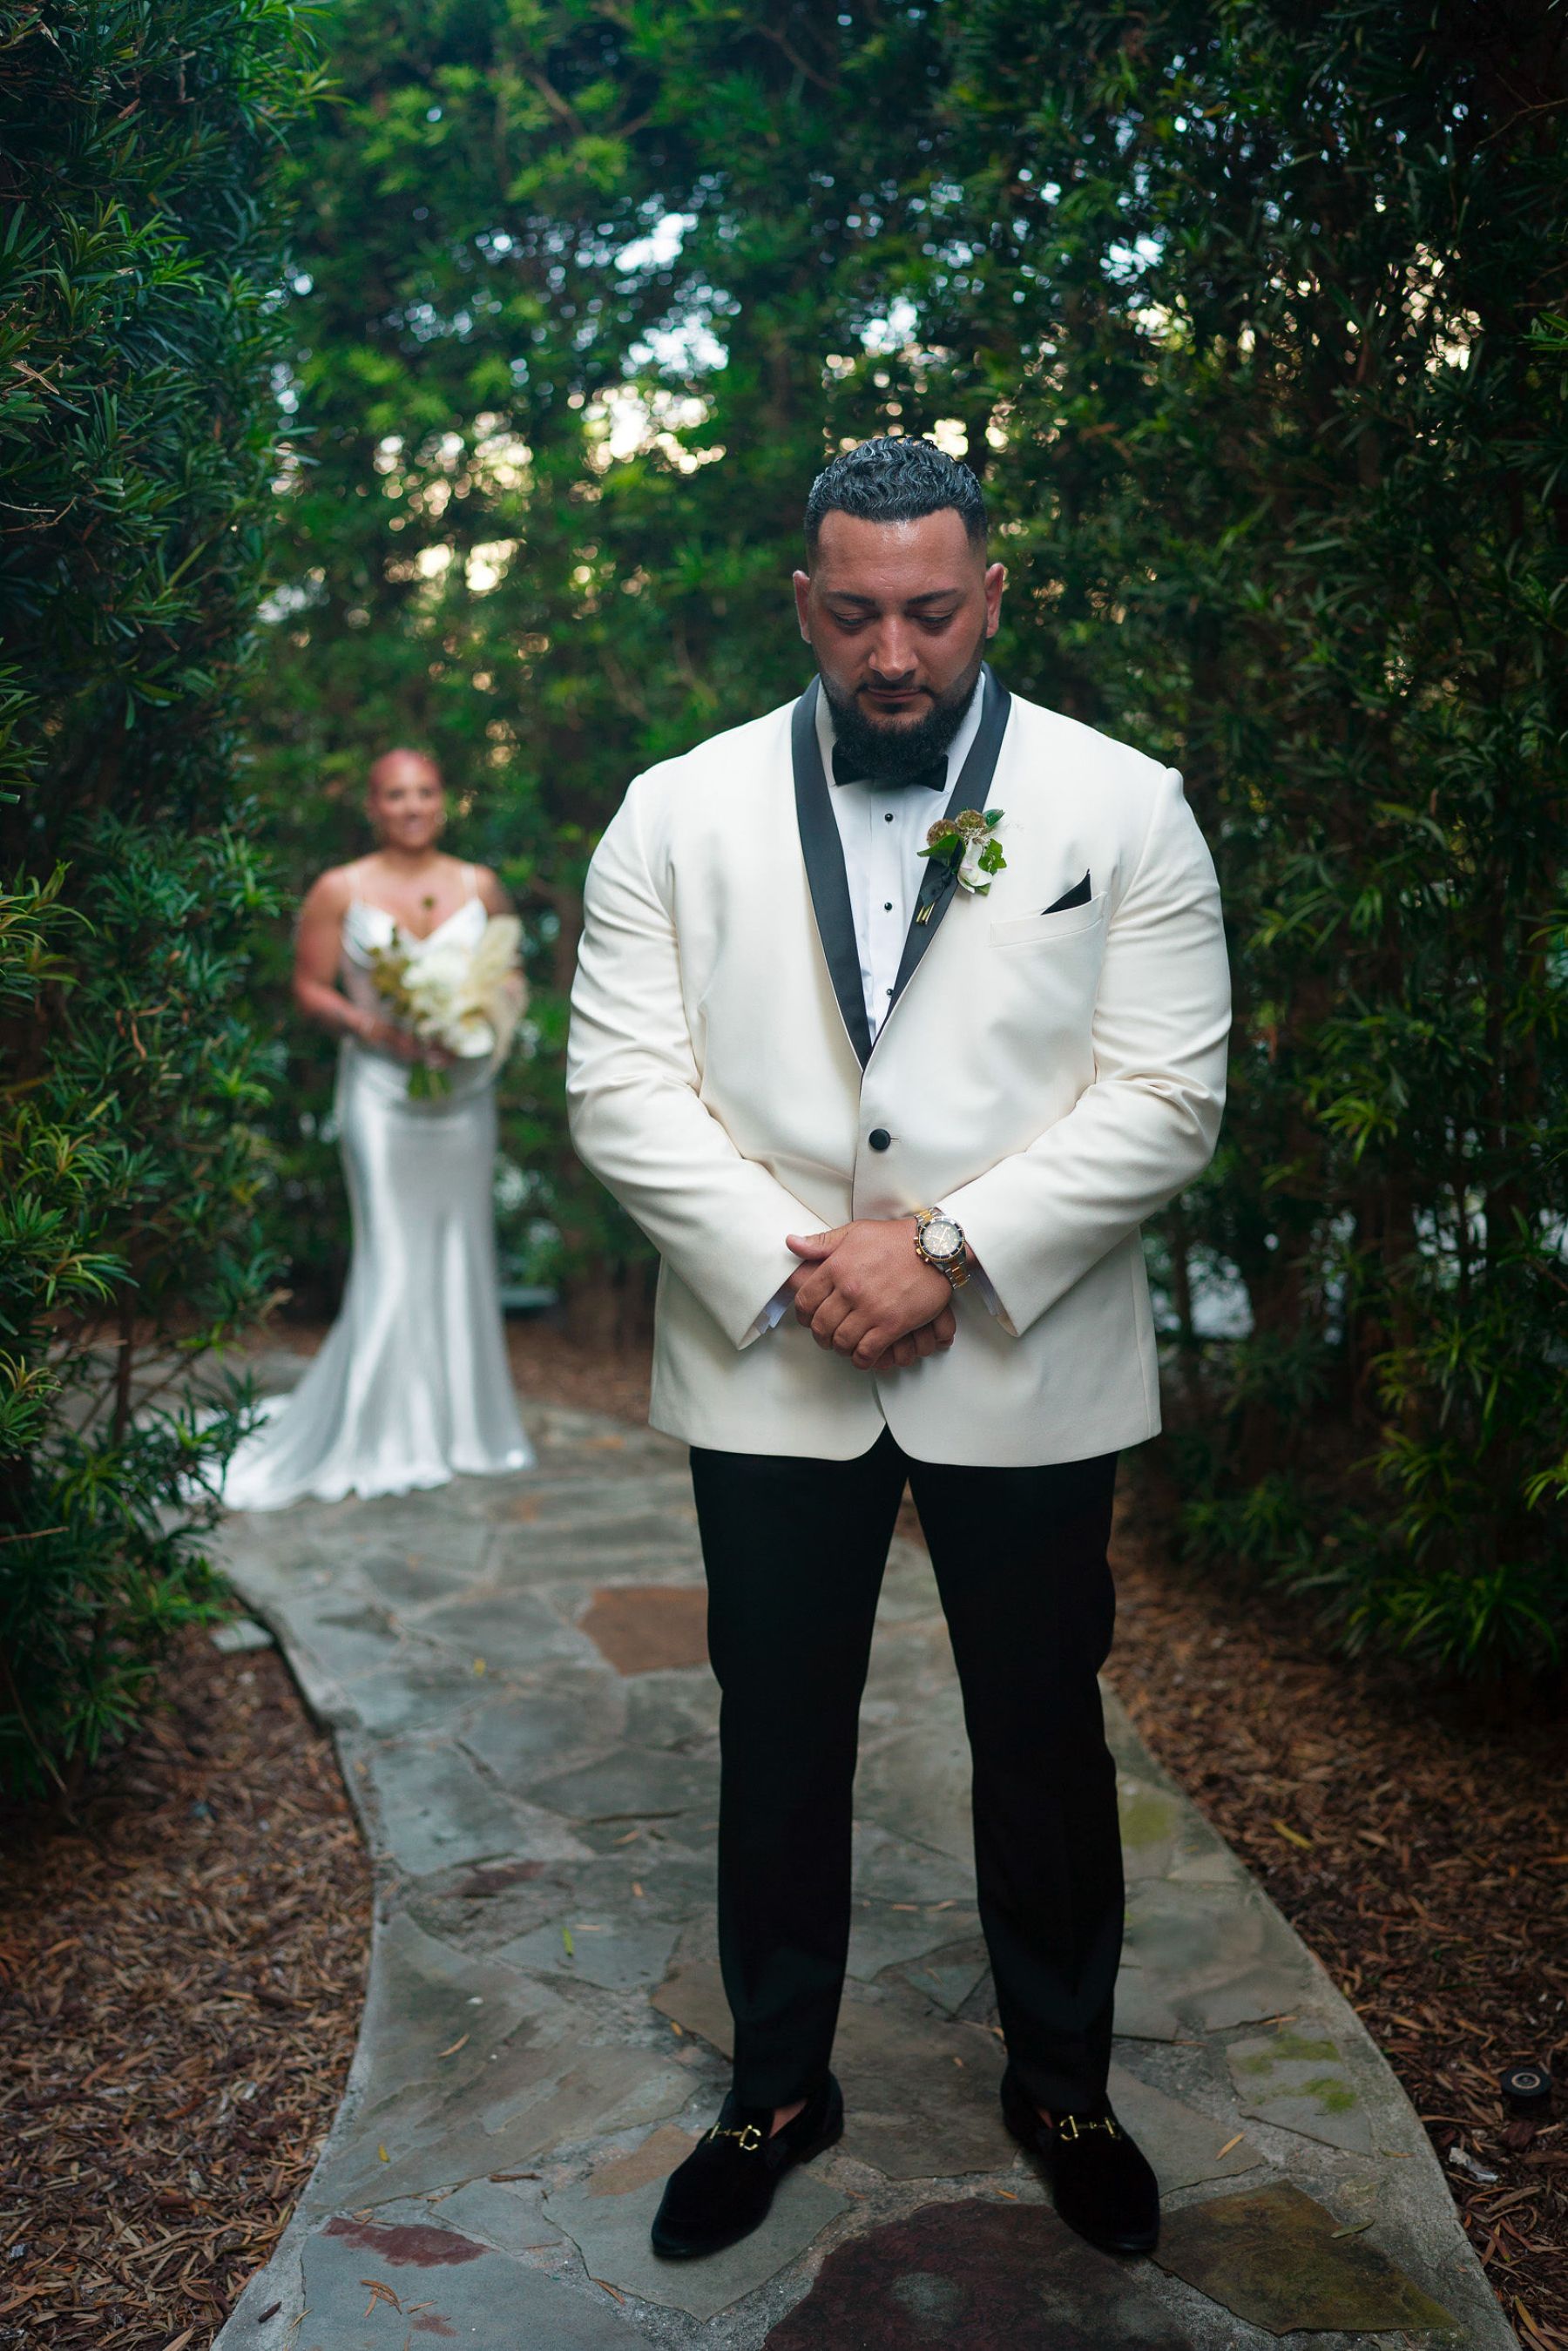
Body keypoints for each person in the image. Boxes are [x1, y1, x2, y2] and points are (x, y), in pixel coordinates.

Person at [566, 437, 1231, 2262]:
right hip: (770, 1349)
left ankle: (1066, 2079)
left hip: (1025, 1356)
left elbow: (1170, 1092)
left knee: (1041, 1727)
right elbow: (619, 1083)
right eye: (854, 610)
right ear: (803, 601)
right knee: (776, 1726)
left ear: (992, 595)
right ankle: (775, 2082)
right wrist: (800, 1273)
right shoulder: (674, 808)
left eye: (931, 609)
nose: (893, 650)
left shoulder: (1124, 804)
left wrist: (942, 1244)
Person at [223, 748, 533, 1510]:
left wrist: (478, 1023)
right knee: (391, 1253)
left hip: (461, 1097)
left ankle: (465, 1427)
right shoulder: (342, 887)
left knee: (462, 1246)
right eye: (395, 794)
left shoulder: (478, 885)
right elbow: (307, 987)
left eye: (425, 791)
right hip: (381, 1096)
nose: (412, 806)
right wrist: (374, 1025)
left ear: (444, 800)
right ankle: (384, 1432)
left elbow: (509, 975)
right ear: (372, 804)